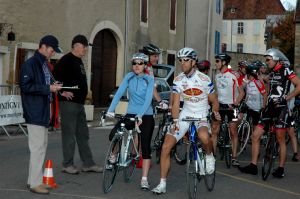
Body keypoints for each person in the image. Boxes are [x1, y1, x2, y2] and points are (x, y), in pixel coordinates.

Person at [151, 47, 221, 194]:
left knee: (203, 136)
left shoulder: (204, 79)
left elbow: (214, 101)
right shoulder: (178, 79)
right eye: (181, 60)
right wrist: (175, 121)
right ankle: (162, 183)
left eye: (186, 60)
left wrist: (215, 112)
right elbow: (176, 103)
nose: (183, 63)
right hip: (185, 114)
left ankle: (209, 156)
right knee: (166, 146)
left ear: (193, 62)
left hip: (201, 114)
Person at [238, 48, 300, 178]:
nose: (266, 62)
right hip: (269, 108)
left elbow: (299, 85)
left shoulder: (286, 70)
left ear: (276, 58)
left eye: (268, 59)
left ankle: (281, 169)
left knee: (280, 138)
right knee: (255, 135)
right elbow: (264, 82)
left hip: (281, 108)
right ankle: (253, 166)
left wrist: (287, 98)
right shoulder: (271, 73)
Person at [53, 35, 103, 174]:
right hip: (68, 104)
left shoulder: (78, 61)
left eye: (86, 47)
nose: (86, 49)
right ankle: (67, 164)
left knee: (83, 134)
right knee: (69, 135)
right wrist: (61, 92)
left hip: (79, 104)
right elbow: (53, 78)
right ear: (76, 46)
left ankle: (88, 163)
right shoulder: (66, 60)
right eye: (84, 46)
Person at [20, 35, 63, 194]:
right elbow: (25, 86)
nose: (53, 53)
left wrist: (53, 86)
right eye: (52, 50)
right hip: (35, 111)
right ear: (43, 47)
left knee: (40, 147)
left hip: (42, 111)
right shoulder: (31, 64)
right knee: (37, 148)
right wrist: (48, 88)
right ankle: (35, 183)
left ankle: (33, 180)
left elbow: (40, 84)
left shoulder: (43, 64)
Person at [106, 53, 155, 190]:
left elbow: (147, 100)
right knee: (114, 133)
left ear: (145, 65)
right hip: (131, 112)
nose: (137, 66)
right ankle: (114, 155)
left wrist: (140, 115)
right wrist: (111, 109)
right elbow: (119, 93)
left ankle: (144, 179)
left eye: (140, 63)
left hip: (146, 114)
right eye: (135, 63)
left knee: (145, 147)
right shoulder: (129, 77)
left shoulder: (149, 79)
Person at [215, 53, 245, 167]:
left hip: (233, 107)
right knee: (215, 129)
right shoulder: (217, 76)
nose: (216, 63)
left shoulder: (234, 75)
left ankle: (234, 157)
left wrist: (235, 103)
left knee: (233, 131)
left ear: (224, 62)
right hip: (221, 106)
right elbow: (217, 93)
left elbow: (241, 92)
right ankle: (212, 155)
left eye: (217, 61)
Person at [240, 64, 267, 130]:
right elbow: (241, 87)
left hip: (256, 107)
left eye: (249, 74)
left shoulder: (258, 82)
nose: (248, 76)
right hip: (248, 105)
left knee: (255, 125)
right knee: (239, 117)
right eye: (247, 74)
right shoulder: (247, 81)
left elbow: (265, 94)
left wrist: (263, 106)